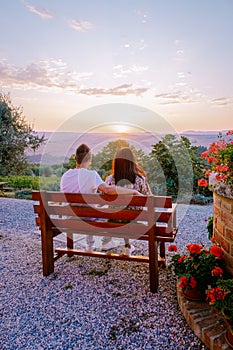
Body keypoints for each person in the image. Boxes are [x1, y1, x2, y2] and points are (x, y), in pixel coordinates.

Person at [60, 143, 141, 252]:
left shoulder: (65, 176)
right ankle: (101, 243)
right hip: (88, 219)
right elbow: (108, 190)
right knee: (98, 211)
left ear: (76, 159)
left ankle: (90, 245)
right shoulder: (92, 175)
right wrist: (133, 191)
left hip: (69, 219)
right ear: (90, 159)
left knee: (89, 208)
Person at [104, 147, 151, 255]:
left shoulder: (109, 180)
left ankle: (108, 242)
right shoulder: (140, 180)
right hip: (133, 221)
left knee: (116, 211)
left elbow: (104, 197)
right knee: (129, 212)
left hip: (113, 221)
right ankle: (127, 246)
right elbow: (145, 199)